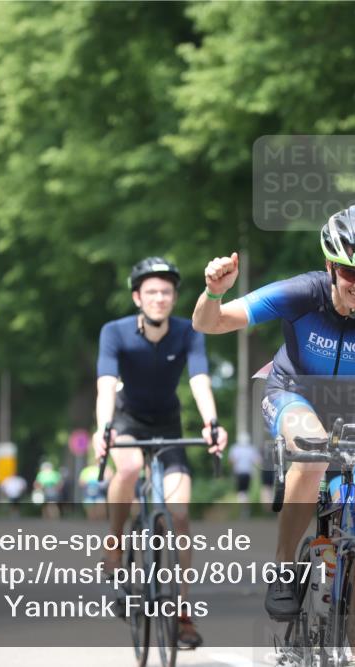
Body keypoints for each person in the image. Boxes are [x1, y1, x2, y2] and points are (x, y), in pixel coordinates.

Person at [192, 204, 355, 629]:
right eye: (349, 273)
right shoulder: (301, 293)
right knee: (312, 456)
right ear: (330, 265)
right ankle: (284, 567)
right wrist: (214, 293)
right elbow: (210, 323)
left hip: (352, 405)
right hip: (292, 393)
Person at [92, 256, 228, 650]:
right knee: (130, 466)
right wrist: (104, 430)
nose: (159, 298)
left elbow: (200, 379)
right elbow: (105, 385)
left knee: (181, 516)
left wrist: (211, 422)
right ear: (137, 297)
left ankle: (183, 613)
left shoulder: (188, 332)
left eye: (166, 291)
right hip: (128, 420)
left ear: (174, 298)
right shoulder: (114, 332)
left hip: (169, 425)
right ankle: (115, 544)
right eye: (151, 291)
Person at [228, 440, 261, 511]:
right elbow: (257, 461)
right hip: (248, 473)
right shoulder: (251, 449)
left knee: (240, 492)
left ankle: (242, 508)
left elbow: (231, 460)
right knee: (245, 491)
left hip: (239, 473)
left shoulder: (235, 448)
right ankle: (245, 508)